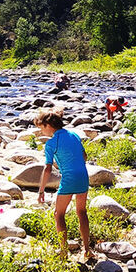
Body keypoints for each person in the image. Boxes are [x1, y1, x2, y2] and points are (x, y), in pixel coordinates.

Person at [35, 107, 93, 261]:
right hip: (83, 176)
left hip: (69, 178)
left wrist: (41, 191)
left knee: (58, 214)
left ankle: (63, 251)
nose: (41, 132)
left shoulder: (51, 143)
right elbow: (84, 156)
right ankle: (87, 249)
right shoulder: (73, 135)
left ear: (48, 126)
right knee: (82, 212)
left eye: (41, 128)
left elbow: (47, 169)